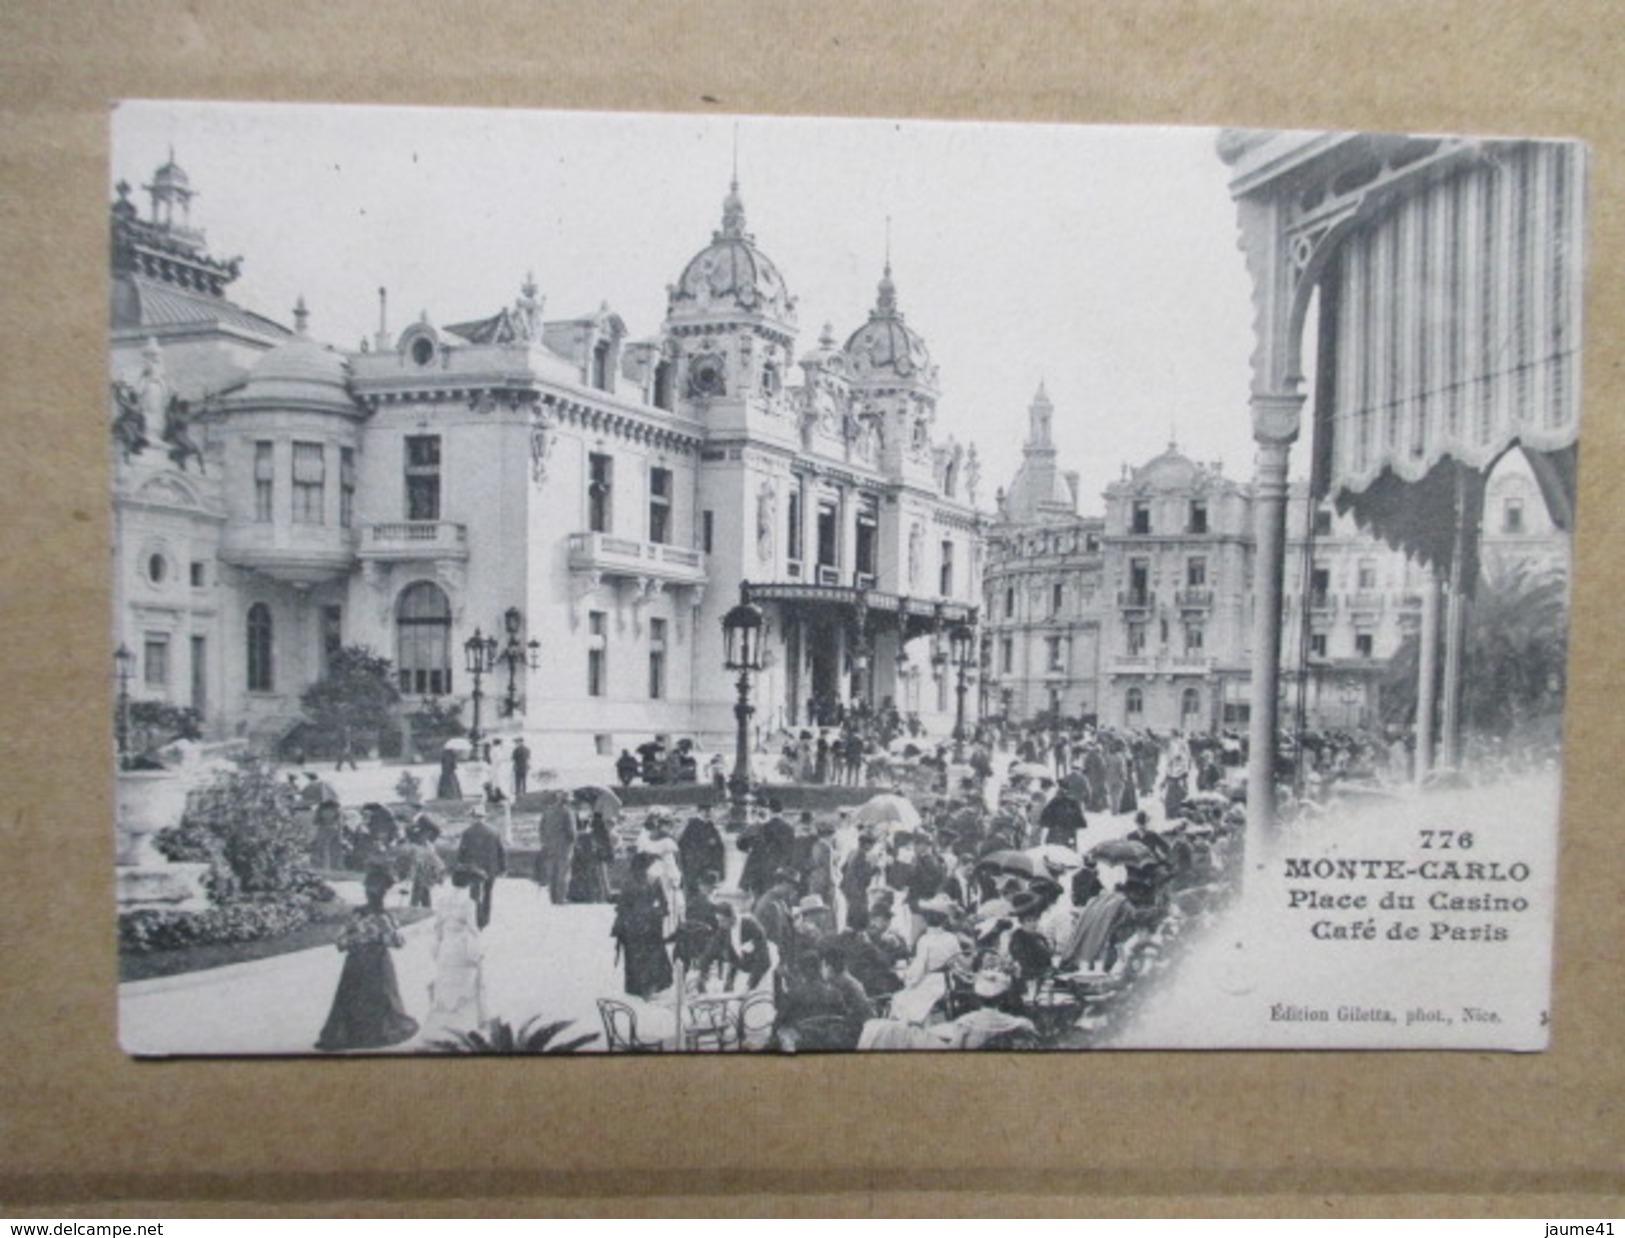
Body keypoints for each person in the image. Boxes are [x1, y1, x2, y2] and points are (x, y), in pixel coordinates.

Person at [316, 866, 419, 1052]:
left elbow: (340, 942)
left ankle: (354, 1033)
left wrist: (356, 940)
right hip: (377, 962)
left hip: (355, 961)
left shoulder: (357, 914)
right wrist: (381, 936)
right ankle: (373, 1033)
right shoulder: (384, 917)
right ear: (383, 895)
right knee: (381, 996)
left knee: (353, 996)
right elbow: (397, 942)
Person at [422, 867, 486, 1040]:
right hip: (462, 943)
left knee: (445, 980)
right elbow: (472, 928)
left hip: (446, 943)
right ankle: (463, 1023)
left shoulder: (442, 901)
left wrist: (438, 945)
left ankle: (442, 1022)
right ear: (469, 884)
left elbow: (437, 926)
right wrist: (479, 948)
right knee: (466, 982)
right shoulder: (469, 903)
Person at [887, 894, 963, 1024]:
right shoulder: (951, 938)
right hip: (948, 981)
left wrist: (906, 976)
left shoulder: (925, 940)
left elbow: (919, 968)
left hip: (932, 982)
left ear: (927, 919)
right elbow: (959, 961)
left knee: (901, 998)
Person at [611, 852, 673, 999]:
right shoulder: (632, 882)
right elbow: (623, 906)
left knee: (651, 957)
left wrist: (661, 911)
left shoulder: (652, 880)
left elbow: (663, 902)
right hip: (635, 926)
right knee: (639, 958)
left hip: (649, 924)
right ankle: (642, 988)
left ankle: (650, 987)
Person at [698, 901, 773, 992]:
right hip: (742, 971)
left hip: (762, 973)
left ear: (732, 918)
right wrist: (702, 974)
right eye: (718, 921)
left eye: (722, 920)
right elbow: (710, 951)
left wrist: (750, 985)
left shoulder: (751, 926)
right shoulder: (724, 930)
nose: (719, 924)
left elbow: (763, 959)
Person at [454, 802, 506, 930]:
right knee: (488, 893)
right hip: (490, 868)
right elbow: (501, 852)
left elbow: (461, 852)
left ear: (473, 817)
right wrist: (503, 868)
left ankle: (475, 918)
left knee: (474, 893)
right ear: (484, 817)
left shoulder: (467, 832)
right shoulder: (494, 832)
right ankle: (485, 919)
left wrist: (460, 864)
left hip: (473, 869)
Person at [676, 807, 726, 901]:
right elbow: (683, 845)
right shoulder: (692, 826)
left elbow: (719, 846)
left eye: (708, 811)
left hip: (708, 864)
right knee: (694, 890)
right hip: (695, 865)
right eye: (704, 811)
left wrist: (715, 843)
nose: (707, 814)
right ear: (699, 812)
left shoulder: (711, 827)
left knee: (707, 890)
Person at [536, 792, 577, 907]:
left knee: (551, 873)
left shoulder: (547, 812)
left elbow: (541, 828)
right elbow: (572, 832)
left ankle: (552, 898)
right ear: (567, 801)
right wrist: (573, 843)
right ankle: (561, 898)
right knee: (563, 873)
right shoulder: (568, 812)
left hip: (549, 846)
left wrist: (545, 842)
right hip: (564, 847)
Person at [403, 815, 445, 908]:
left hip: (422, 863)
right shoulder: (427, 837)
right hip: (425, 863)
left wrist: (416, 823)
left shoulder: (417, 836)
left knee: (419, 888)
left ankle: (416, 909)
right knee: (423, 888)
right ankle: (425, 909)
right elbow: (437, 830)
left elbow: (408, 831)